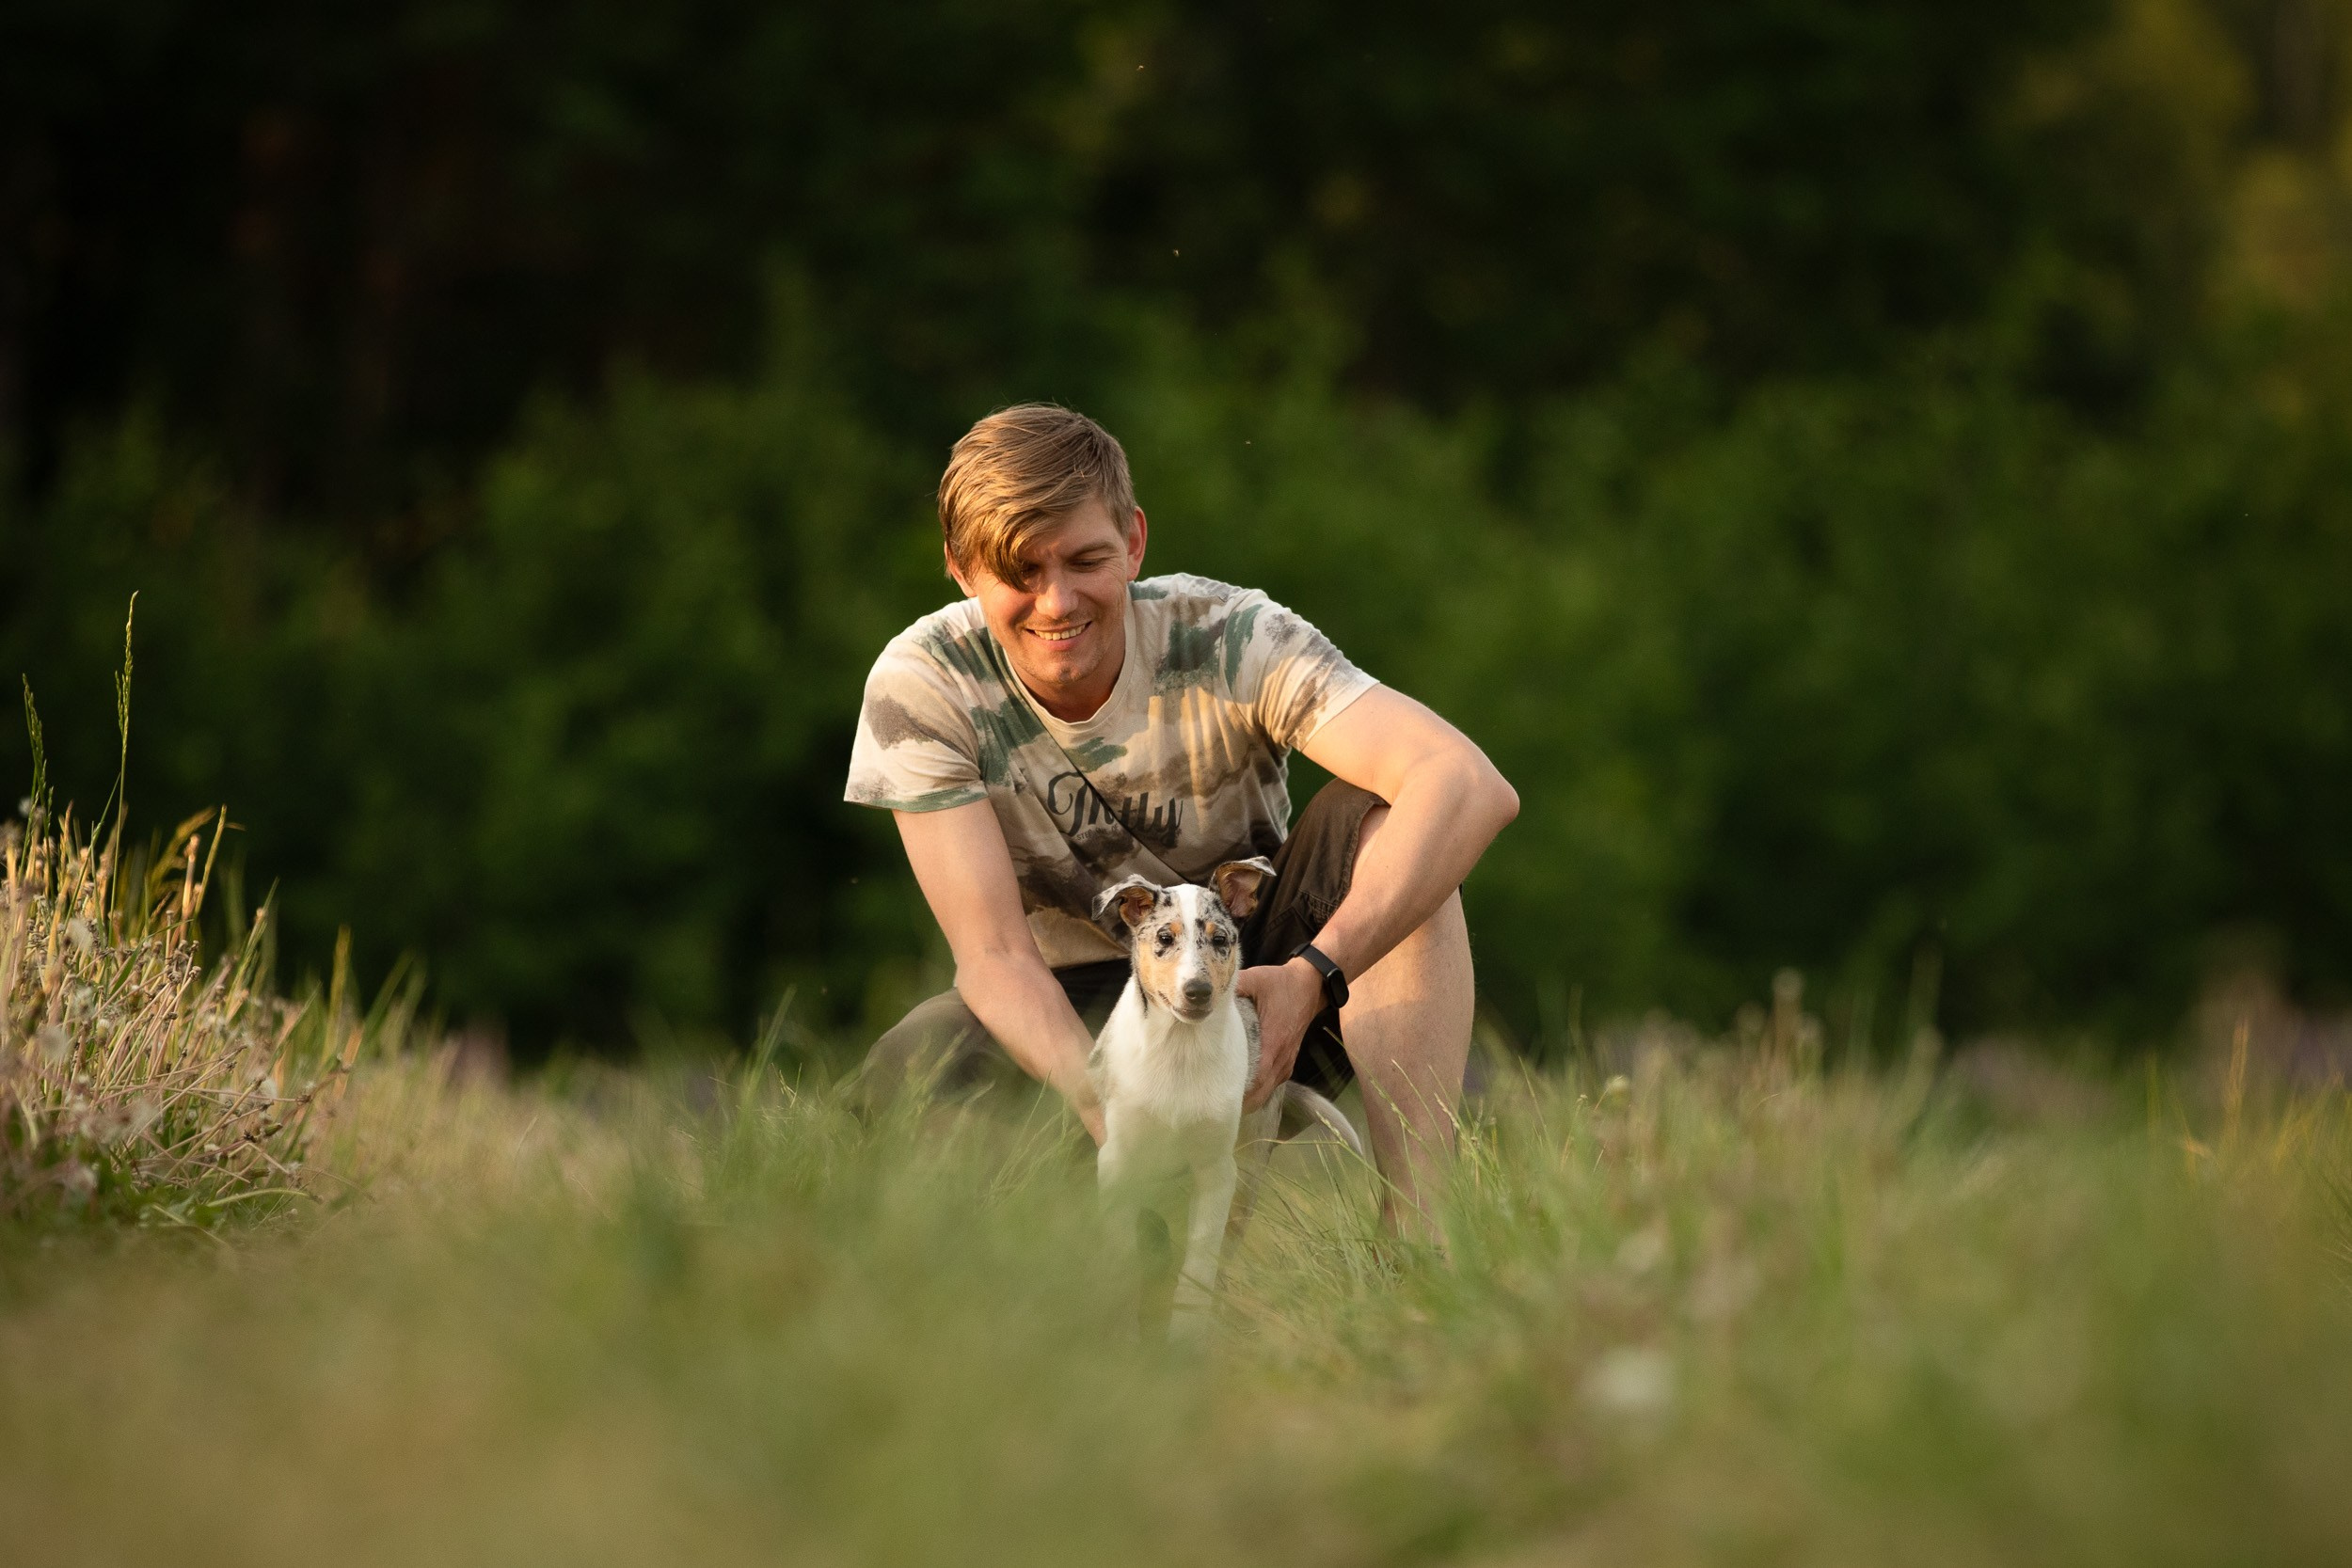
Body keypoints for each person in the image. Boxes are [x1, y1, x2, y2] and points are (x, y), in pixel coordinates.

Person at [847, 404, 1518, 1238]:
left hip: (1269, 977)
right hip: (1083, 1017)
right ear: (959, 568)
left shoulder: (1230, 634)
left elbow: (1469, 783)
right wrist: (1112, 1109)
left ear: (1133, 540)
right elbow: (993, 957)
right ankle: (1032, 1279)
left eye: (1087, 559)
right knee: (909, 1069)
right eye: (1021, 571)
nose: (1057, 601)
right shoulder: (926, 686)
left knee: (1393, 820)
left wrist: (1311, 975)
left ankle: (1418, 1242)